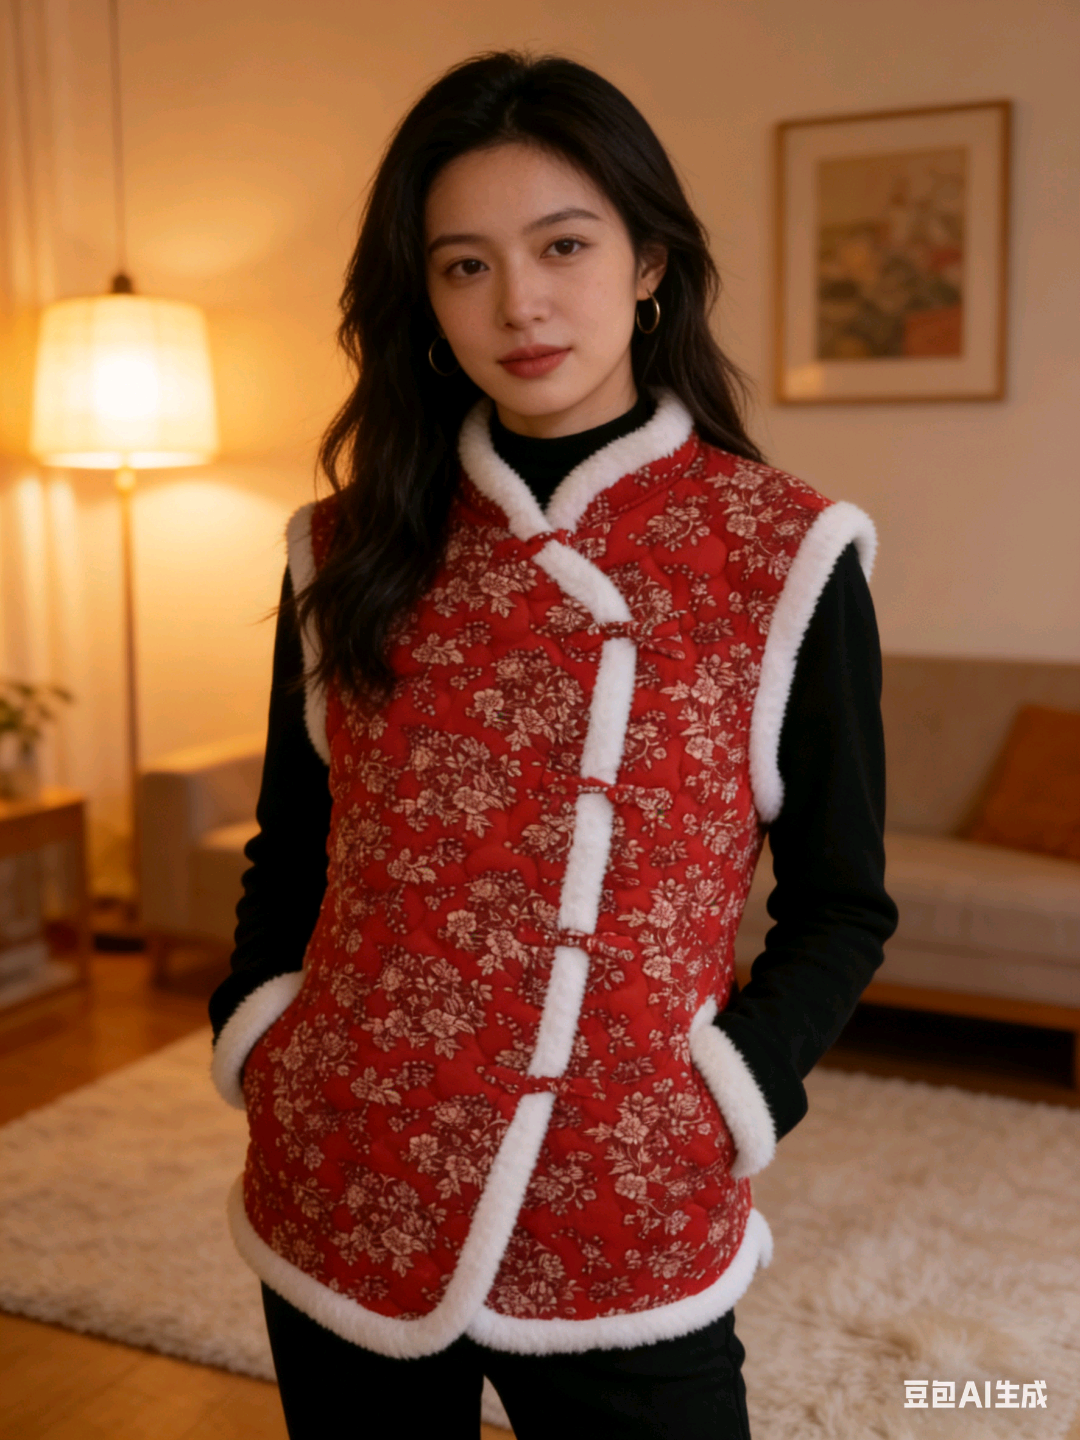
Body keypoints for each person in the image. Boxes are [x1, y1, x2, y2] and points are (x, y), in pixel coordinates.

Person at [207, 48, 899, 1440]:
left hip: (623, 1199)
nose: (517, 302)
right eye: (463, 266)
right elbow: (297, 846)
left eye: (563, 246)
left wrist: (730, 1094)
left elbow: (843, 903)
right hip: (347, 1171)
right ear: (423, 300)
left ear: (650, 262)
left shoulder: (784, 552)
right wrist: (260, 1037)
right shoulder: (344, 548)